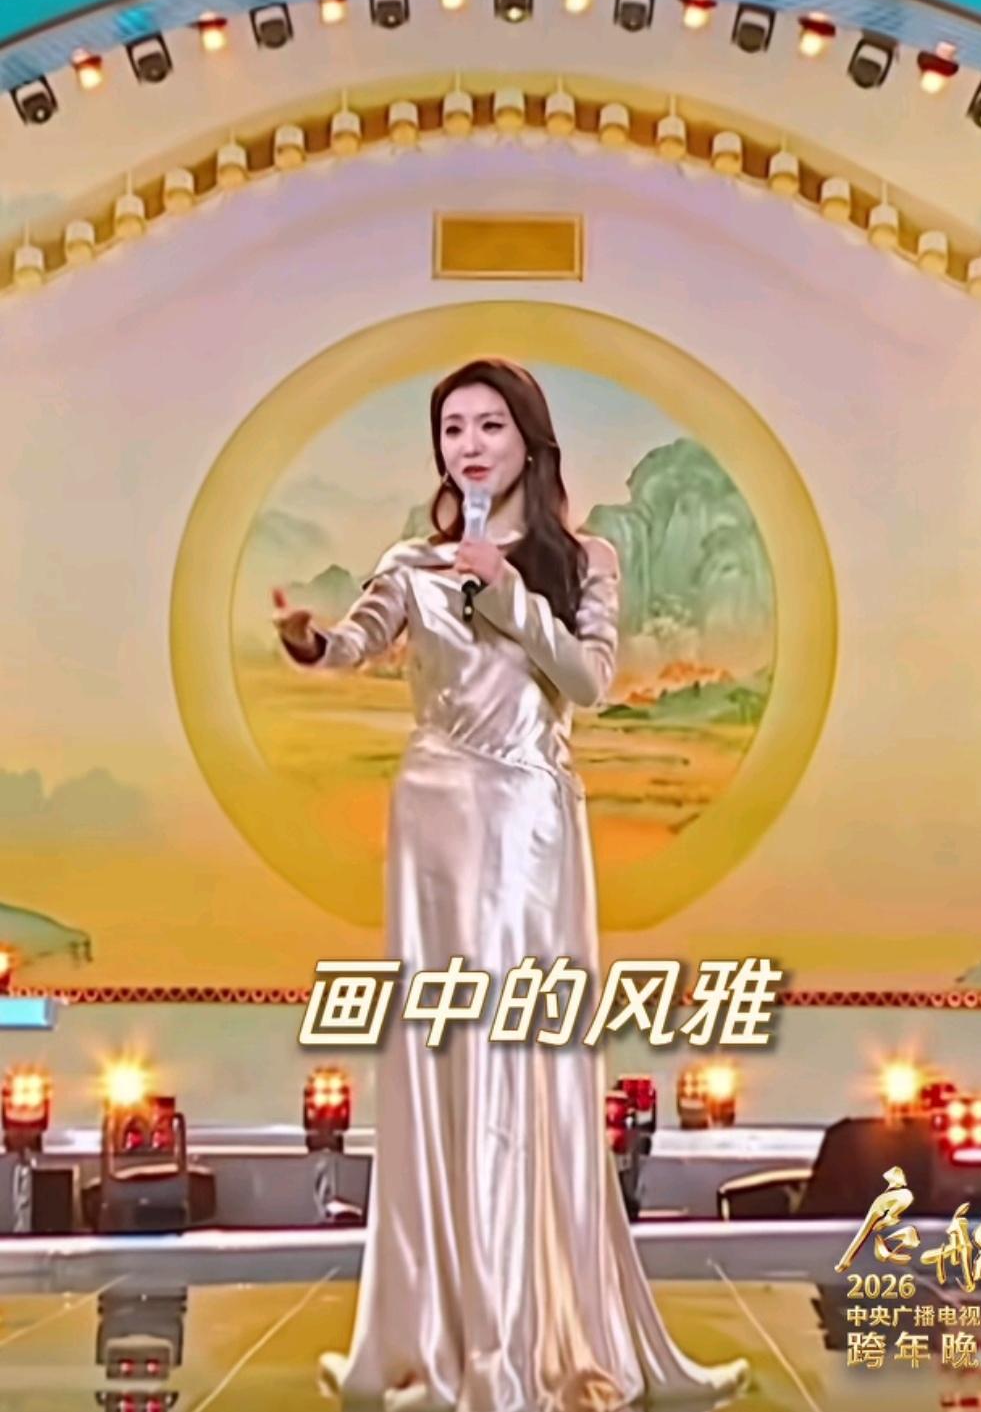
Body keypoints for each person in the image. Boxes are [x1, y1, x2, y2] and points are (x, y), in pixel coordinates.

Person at [274, 357, 750, 1412]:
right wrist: (313, 644)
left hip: (531, 814)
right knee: (445, 1047)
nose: (470, 445)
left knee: (526, 1046)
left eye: (489, 424)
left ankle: (549, 1332)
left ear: (530, 442)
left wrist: (507, 592)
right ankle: (446, 1334)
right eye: (452, 428)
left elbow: (590, 679)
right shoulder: (413, 561)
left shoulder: (587, 559)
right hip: (434, 812)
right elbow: (357, 641)